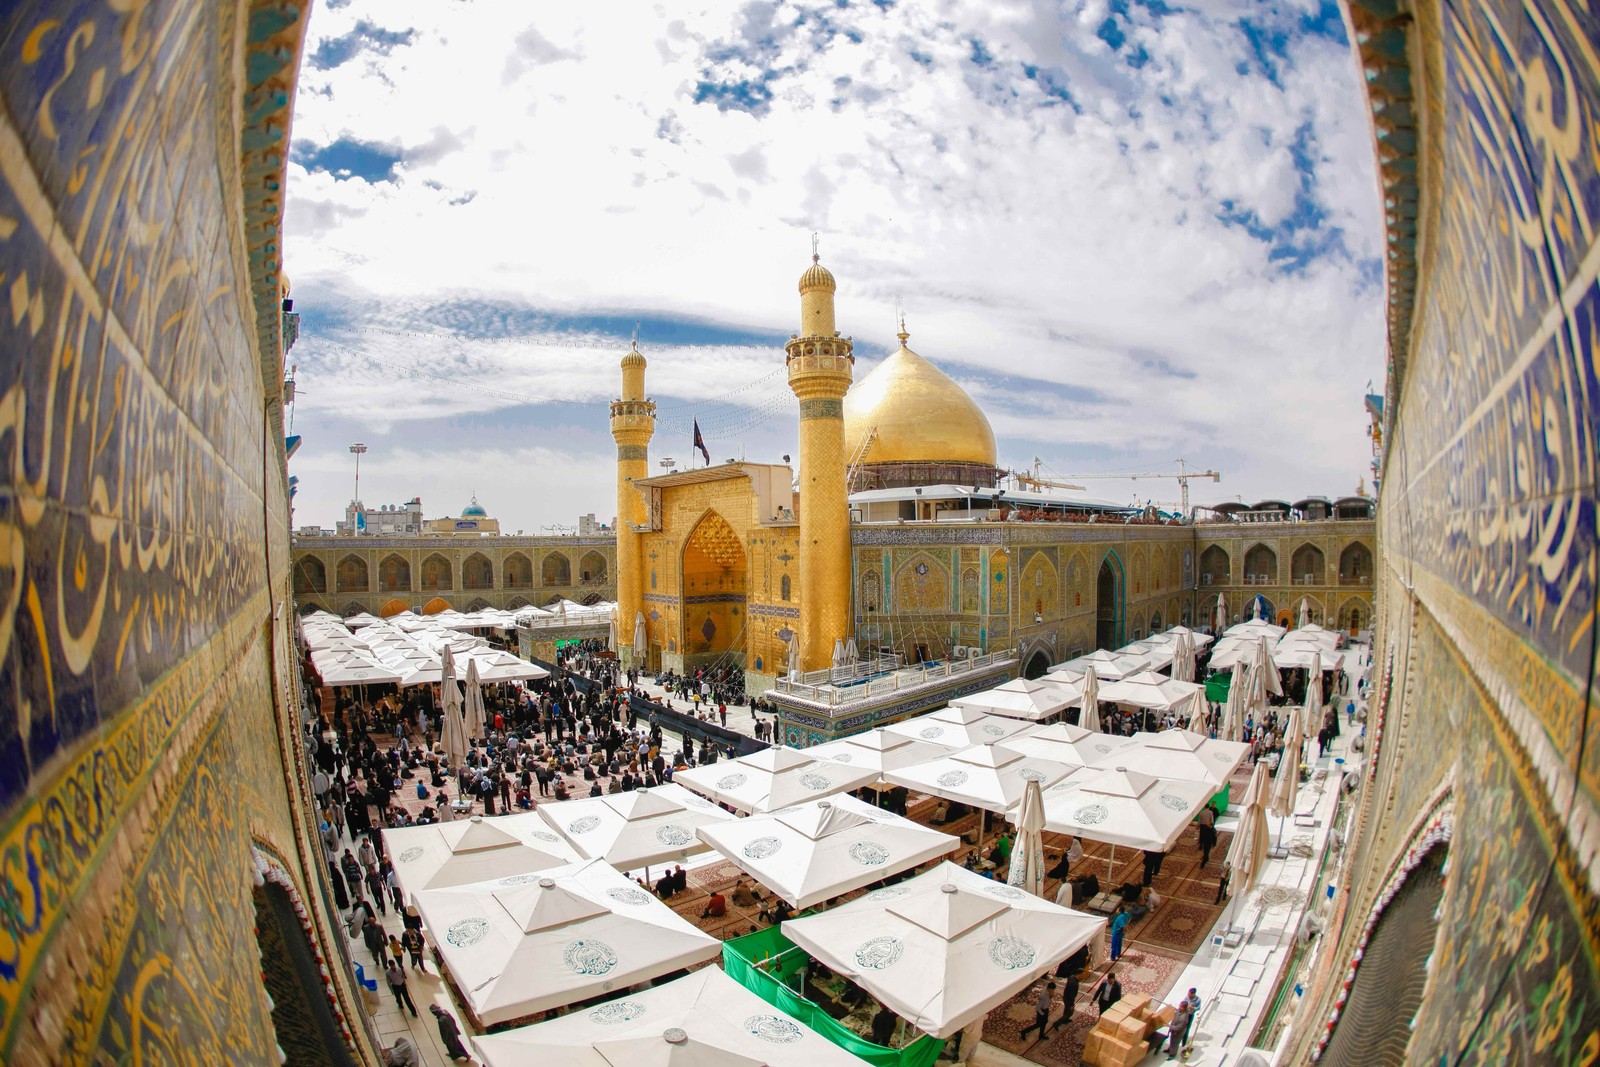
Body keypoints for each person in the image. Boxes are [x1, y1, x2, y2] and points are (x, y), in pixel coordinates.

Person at [1053, 970, 1080, 1034]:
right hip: (1069, 999)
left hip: (1065, 996)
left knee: (1066, 1009)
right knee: (1069, 1013)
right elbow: (1072, 995)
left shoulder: (1071, 977)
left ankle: (1065, 1020)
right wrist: (1071, 1005)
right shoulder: (1074, 983)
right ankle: (1056, 1024)